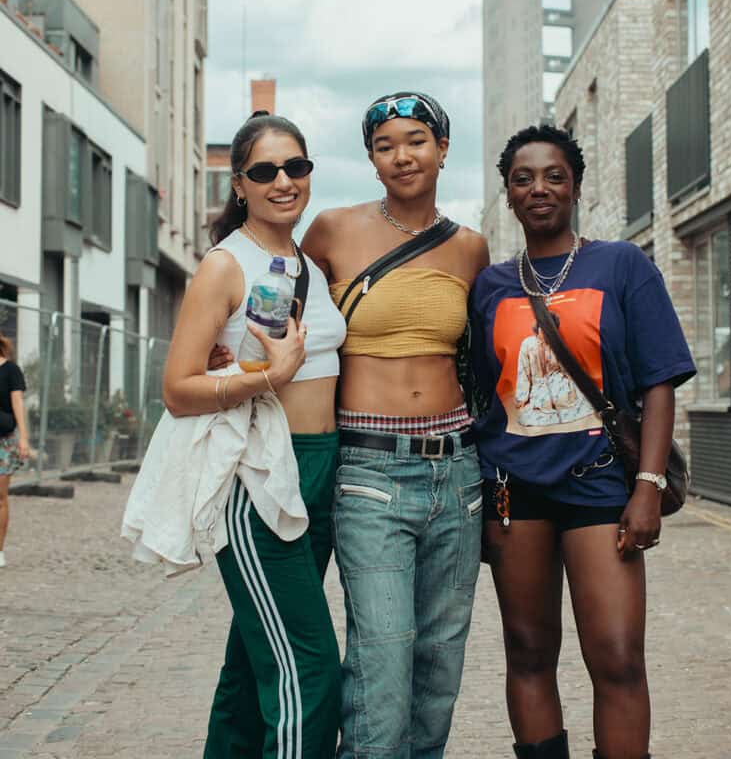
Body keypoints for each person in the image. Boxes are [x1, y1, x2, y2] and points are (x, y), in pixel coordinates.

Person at [469, 124, 695, 759]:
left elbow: (658, 384)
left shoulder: (621, 265)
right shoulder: (489, 286)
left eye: (554, 176)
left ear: (576, 187)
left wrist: (647, 487)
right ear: (509, 195)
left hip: (600, 485)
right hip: (515, 493)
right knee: (530, 651)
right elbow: (487, 395)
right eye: (523, 178)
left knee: (618, 655)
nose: (539, 188)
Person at [132, 111, 345, 758]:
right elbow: (177, 387)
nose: (283, 180)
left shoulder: (307, 263)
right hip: (259, 483)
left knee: (253, 663)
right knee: (307, 668)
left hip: (318, 474)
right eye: (264, 171)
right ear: (240, 186)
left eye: (295, 167)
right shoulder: (226, 265)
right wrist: (262, 378)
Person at [300, 91, 490, 759]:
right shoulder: (332, 230)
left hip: (457, 473)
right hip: (369, 473)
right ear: (371, 160)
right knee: (381, 661)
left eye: (415, 140)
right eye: (385, 145)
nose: (401, 155)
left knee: (439, 664)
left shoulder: (470, 247)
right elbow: (276, 311)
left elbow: (482, 361)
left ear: (442, 149)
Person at [0, 333, 30, 569]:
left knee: (0, 498)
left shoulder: (11, 371)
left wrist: (24, 439)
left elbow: (18, 403)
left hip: (3, 442)